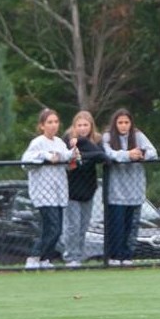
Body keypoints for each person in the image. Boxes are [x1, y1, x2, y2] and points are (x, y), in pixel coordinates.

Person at [100, 108, 156, 265]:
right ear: (115, 123)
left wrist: (141, 155)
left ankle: (127, 256)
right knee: (117, 225)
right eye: (120, 122)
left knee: (131, 226)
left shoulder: (138, 136)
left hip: (135, 189)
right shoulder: (107, 137)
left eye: (126, 122)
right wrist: (126, 155)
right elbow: (107, 153)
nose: (123, 126)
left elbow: (153, 152)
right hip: (116, 191)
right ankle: (114, 256)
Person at [21, 108, 71, 269]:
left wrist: (71, 155)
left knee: (55, 229)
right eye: (49, 122)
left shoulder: (60, 142)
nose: (53, 125)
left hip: (59, 192)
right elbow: (26, 162)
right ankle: (34, 257)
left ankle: (44, 259)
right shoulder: (37, 143)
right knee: (52, 227)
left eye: (56, 122)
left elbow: (66, 159)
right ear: (42, 125)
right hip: (43, 193)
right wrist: (46, 157)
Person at [60, 110, 105, 267]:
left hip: (89, 188)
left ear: (91, 126)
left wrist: (83, 152)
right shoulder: (67, 140)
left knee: (84, 225)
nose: (83, 128)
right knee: (72, 226)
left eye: (86, 125)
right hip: (71, 189)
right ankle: (71, 256)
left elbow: (102, 156)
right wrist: (86, 155)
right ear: (74, 126)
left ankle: (78, 255)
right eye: (79, 125)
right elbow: (69, 160)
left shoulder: (96, 140)